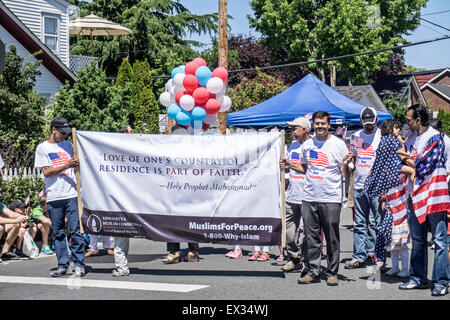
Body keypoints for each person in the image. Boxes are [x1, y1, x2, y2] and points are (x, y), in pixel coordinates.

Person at [281, 111, 349, 286]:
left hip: (331, 197)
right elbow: (305, 168)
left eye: (323, 123)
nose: (320, 126)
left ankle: (332, 272)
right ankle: (313, 271)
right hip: (309, 197)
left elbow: (345, 172)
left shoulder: (338, 144)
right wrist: (289, 165)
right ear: (314, 125)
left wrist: (348, 165)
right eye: (317, 123)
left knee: (332, 237)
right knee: (312, 238)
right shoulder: (307, 145)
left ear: (329, 125)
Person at [399, 104, 450, 297]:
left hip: (435, 195)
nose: (407, 123)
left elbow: (425, 164)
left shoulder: (437, 137)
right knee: (418, 240)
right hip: (416, 195)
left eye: (409, 120)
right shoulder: (411, 137)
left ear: (419, 119)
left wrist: (409, 160)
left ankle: (441, 281)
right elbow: (401, 160)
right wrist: (408, 159)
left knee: (439, 240)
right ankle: (418, 278)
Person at [34, 117, 86, 277]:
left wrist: (77, 165)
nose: (65, 135)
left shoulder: (69, 145)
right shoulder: (42, 148)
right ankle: (63, 265)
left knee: (75, 230)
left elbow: (77, 164)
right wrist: (67, 165)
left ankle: (79, 264)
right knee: (58, 232)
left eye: (67, 133)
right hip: (54, 196)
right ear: (53, 130)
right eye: (62, 133)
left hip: (71, 193)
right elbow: (47, 172)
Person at [344, 107, 383, 270]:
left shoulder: (382, 136)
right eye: (365, 123)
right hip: (359, 185)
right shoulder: (355, 137)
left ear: (376, 120)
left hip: (376, 186)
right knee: (359, 223)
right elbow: (354, 159)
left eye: (371, 122)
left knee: (376, 222)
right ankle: (359, 256)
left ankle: (376, 254)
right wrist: (348, 162)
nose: (368, 126)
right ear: (361, 122)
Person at [162, 125, 200, 264]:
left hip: (182, 189)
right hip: (180, 189)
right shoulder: (187, 152)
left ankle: (176, 252)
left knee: (177, 220)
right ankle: (191, 252)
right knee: (184, 220)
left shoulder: (184, 153)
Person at [280, 117, 311, 272]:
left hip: (308, 195)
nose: (292, 131)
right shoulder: (292, 145)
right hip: (292, 193)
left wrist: (290, 164)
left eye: (295, 128)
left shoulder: (312, 145)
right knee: (289, 231)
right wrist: (284, 167)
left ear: (304, 129)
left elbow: (308, 169)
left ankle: (306, 259)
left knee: (307, 231)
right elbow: (288, 168)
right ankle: (293, 257)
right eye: (291, 129)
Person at [28, 190, 54, 255]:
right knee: (45, 224)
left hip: (44, 231)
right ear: (45, 203)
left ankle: (55, 245)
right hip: (33, 231)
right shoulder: (37, 210)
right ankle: (44, 247)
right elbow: (45, 221)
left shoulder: (48, 210)